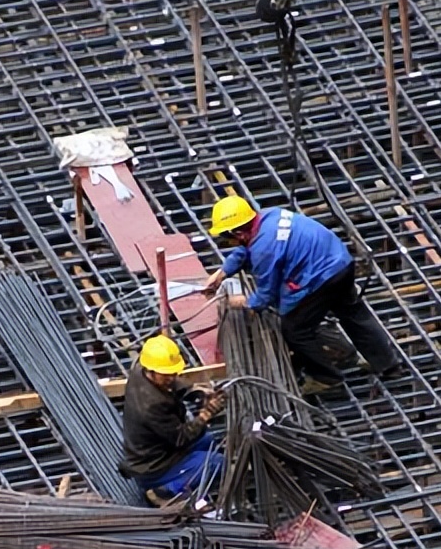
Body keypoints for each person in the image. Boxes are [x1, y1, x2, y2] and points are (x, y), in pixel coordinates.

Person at [203, 196, 403, 394]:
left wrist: (244, 302)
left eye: (226, 236)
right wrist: (222, 272)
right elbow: (245, 248)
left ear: (238, 232)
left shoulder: (264, 248)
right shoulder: (268, 215)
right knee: (353, 314)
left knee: (295, 329)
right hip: (340, 261)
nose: (227, 241)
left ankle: (326, 377)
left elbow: (267, 294)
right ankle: (387, 364)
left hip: (320, 277)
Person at [119, 334, 226, 507]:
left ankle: (187, 475)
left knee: (208, 439)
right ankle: (164, 491)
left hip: (160, 449)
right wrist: (206, 414)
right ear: (152, 372)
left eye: (173, 373)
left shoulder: (141, 370)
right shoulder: (151, 406)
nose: (171, 377)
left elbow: (171, 383)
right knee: (217, 463)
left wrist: (195, 392)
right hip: (153, 467)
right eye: (166, 375)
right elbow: (181, 438)